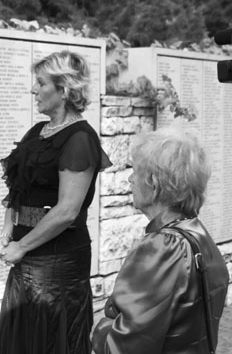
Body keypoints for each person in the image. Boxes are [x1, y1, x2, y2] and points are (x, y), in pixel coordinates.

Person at [0, 50, 112, 354]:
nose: (34, 90)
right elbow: (17, 190)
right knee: (24, 340)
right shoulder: (37, 132)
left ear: (64, 89)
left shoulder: (80, 139)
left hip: (59, 263)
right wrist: (7, 236)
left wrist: (21, 246)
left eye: (41, 83)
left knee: (51, 341)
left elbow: (67, 211)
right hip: (26, 256)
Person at [92, 127, 229, 354]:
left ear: (153, 184)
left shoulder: (161, 247)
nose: (129, 179)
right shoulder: (200, 234)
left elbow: (123, 347)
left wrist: (100, 328)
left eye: (134, 172)